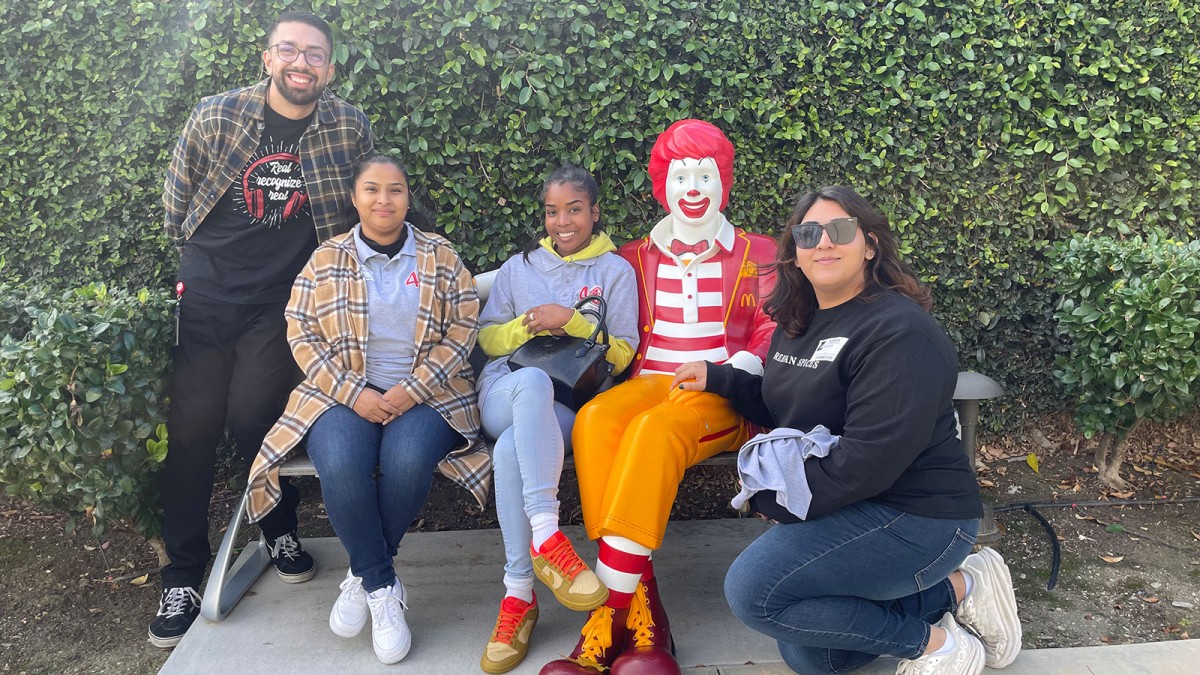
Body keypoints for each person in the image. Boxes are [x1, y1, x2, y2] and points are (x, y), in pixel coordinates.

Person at [674, 186, 1021, 675]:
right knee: (817, 653)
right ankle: (964, 588)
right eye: (808, 233)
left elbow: (869, 461)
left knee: (754, 592)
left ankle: (938, 646)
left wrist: (775, 500)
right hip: (856, 503)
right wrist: (722, 379)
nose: (824, 243)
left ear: (870, 245)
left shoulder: (900, 332)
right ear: (794, 251)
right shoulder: (798, 322)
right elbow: (787, 406)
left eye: (840, 231)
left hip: (920, 515)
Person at [151, 10, 374, 648]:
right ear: (267, 56)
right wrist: (200, 267)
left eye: (314, 55)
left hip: (282, 300)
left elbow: (358, 208)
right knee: (192, 429)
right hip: (211, 291)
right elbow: (176, 201)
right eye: (289, 50)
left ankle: (276, 526)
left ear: (329, 69)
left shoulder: (347, 125)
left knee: (256, 417)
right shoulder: (217, 115)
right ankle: (183, 574)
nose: (300, 63)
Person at [541, 120, 777, 675]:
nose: (692, 187)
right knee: (596, 420)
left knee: (654, 432)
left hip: (719, 389)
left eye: (704, 174)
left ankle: (606, 618)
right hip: (650, 380)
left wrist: (731, 368)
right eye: (680, 175)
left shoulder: (756, 251)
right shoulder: (636, 254)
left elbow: (773, 326)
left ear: (723, 181)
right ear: (661, 184)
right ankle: (647, 618)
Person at [244, 154, 491, 665]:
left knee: (405, 460)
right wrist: (354, 392)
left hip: (430, 394)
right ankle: (382, 586)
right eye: (372, 190)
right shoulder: (326, 259)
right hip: (340, 394)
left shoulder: (441, 257)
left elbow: (464, 329)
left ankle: (363, 576)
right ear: (354, 198)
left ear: (407, 197)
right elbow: (301, 329)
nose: (384, 200)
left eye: (395, 190)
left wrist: (412, 389)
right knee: (340, 463)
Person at [475, 165, 639, 673]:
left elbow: (624, 354)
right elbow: (485, 338)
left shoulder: (615, 272)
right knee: (533, 384)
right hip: (506, 389)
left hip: (569, 405)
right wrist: (526, 327)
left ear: (594, 212)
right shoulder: (518, 267)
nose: (562, 221)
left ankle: (519, 593)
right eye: (552, 211)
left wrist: (570, 321)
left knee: (510, 452)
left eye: (574, 209)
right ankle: (549, 535)